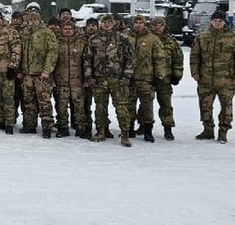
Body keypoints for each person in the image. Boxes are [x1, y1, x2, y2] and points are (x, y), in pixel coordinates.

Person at [84, 14, 136, 147]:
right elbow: (87, 59)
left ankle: (125, 133)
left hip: (117, 79)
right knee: (100, 107)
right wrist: (89, 76)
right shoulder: (93, 39)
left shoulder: (122, 39)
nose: (106, 24)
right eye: (104, 22)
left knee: (121, 107)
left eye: (109, 22)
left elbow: (131, 59)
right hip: (100, 79)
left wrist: (127, 76)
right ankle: (100, 131)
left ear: (113, 24)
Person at [190, 10, 235, 143]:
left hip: (226, 80)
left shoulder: (232, 38)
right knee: (205, 105)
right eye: (215, 21)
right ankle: (207, 129)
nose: (217, 23)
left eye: (220, 21)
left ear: (224, 22)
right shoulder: (202, 36)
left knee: (226, 106)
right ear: (211, 21)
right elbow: (195, 55)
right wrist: (195, 71)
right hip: (205, 79)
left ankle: (223, 131)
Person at [18, 11, 58, 138]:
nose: (32, 22)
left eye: (34, 20)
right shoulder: (24, 32)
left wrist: (47, 70)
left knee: (44, 101)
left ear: (39, 20)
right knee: (28, 101)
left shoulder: (47, 33)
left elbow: (52, 52)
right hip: (27, 74)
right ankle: (30, 125)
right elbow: (20, 52)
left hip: (41, 74)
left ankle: (47, 126)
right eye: (30, 20)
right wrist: (20, 70)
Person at [127, 15, 165, 142]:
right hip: (129, 78)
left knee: (147, 106)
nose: (138, 25)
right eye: (136, 22)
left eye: (141, 22)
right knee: (129, 105)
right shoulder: (125, 37)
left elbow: (159, 58)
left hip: (146, 79)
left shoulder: (152, 39)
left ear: (145, 24)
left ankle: (148, 131)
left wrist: (159, 76)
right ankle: (129, 129)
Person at [150, 16, 184, 140]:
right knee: (145, 105)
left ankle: (168, 127)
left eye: (160, 25)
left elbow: (178, 59)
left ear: (164, 26)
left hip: (165, 78)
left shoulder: (171, 41)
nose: (157, 27)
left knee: (165, 104)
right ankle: (144, 125)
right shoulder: (147, 39)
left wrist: (177, 75)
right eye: (155, 25)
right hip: (147, 78)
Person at [54, 22, 89, 139]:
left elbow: (86, 61)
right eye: (65, 29)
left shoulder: (81, 42)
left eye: (70, 29)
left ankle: (81, 128)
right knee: (62, 105)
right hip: (62, 79)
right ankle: (63, 127)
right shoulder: (57, 43)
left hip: (77, 80)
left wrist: (87, 77)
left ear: (74, 30)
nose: (68, 31)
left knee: (79, 105)